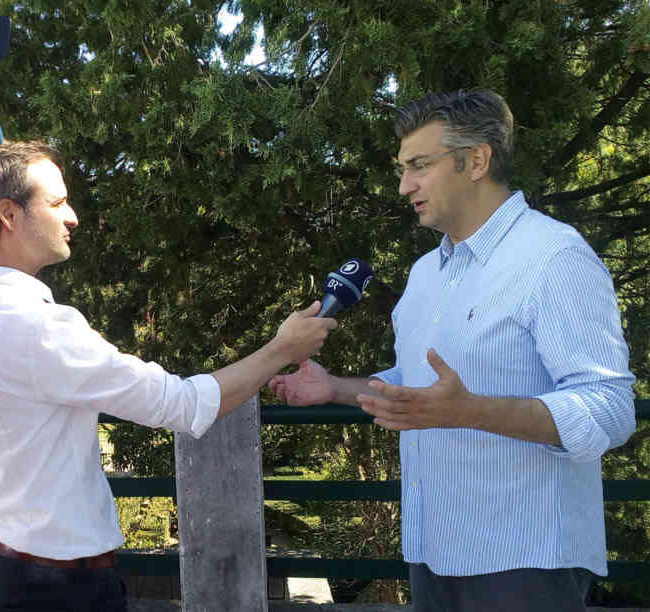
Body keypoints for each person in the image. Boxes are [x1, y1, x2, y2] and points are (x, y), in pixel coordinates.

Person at [0, 140, 338, 612]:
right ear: (8, 214)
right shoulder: (30, 324)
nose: (72, 216)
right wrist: (283, 349)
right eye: (56, 203)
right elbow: (184, 404)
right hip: (54, 589)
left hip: (3, 569)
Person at [268, 89, 636, 611]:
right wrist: (337, 388)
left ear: (478, 160)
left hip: (526, 561)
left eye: (419, 165)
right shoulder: (424, 275)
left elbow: (610, 408)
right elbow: (420, 389)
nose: (404, 185)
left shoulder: (554, 256)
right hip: (432, 553)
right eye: (401, 168)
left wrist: (472, 412)